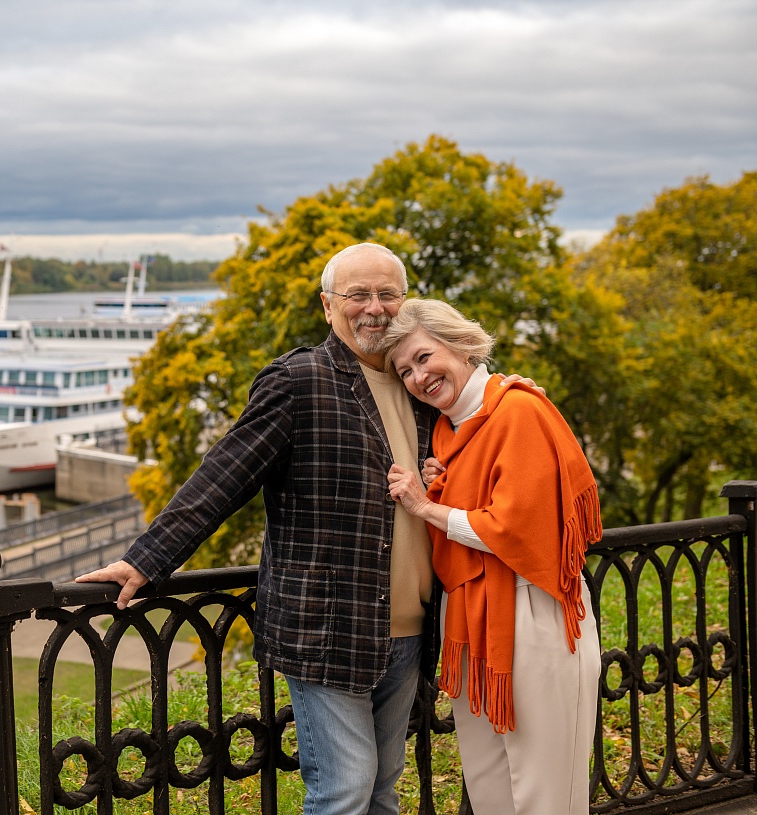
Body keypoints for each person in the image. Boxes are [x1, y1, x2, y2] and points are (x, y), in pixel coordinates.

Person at [77, 242, 441, 815]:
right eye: (358, 295)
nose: (375, 307)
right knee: (345, 790)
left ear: (405, 300)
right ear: (328, 306)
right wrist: (146, 560)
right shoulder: (299, 380)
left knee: (382, 789)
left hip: (411, 629)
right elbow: (224, 477)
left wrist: (513, 393)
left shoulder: (421, 381)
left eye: (387, 294)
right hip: (329, 627)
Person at [382, 298, 601, 815]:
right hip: (471, 620)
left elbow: (515, 527)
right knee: (491, 792)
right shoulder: (447, 431)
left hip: (531, 609)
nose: (418, 377)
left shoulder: (517, 411)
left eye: (423, 357)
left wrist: (425, 506)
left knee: (545, 794)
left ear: (461, 345)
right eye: (405, 371)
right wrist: (443, 489)